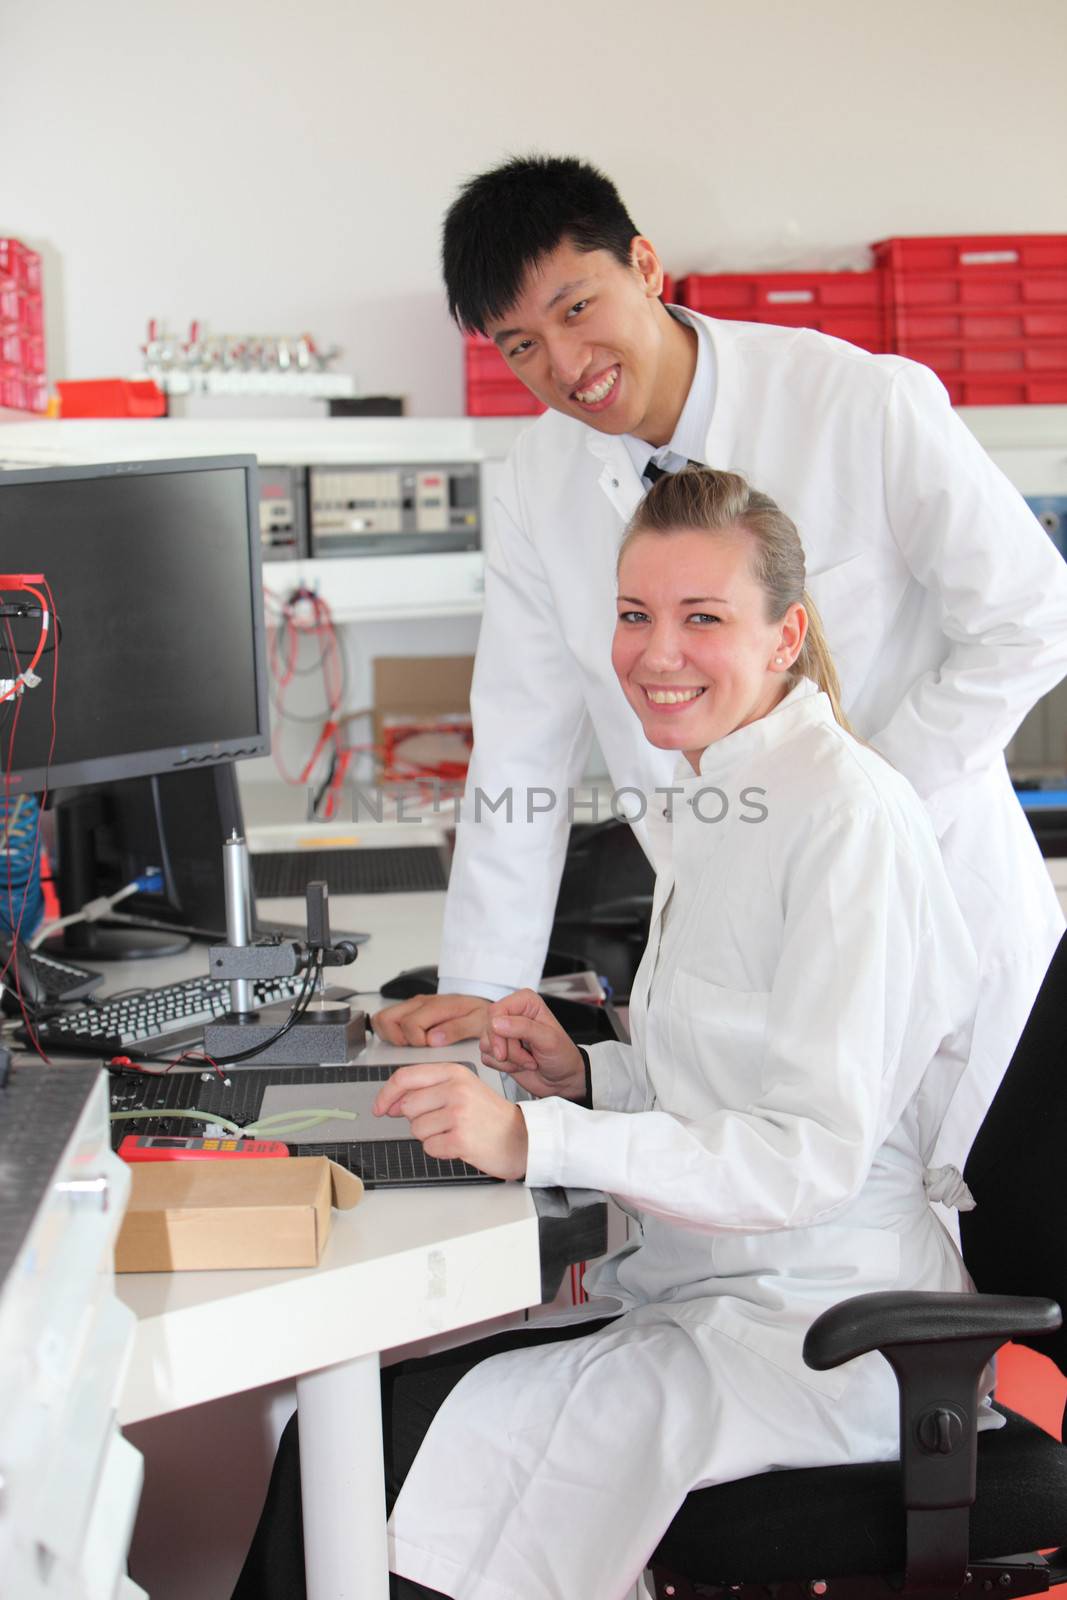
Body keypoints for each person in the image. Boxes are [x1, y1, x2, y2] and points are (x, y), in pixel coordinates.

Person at [236, 468, 984, 1600]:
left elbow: (803, 1153)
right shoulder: (734, 790)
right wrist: (582, 1069)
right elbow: (728, 1064)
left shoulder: (843, 822)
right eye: (634, 614)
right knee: (348, 1437)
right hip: (719, 1286)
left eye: (701, 618)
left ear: (785, 636)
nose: (655, 651)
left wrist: (538, 1139)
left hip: (819, 1331)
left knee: (367, 1457)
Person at [375, 154, 1067, 1172]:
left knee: (953, 1232)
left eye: (577, 308)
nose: (565, 365)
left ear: (643, 265)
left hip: (927, 899)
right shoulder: (536, 482)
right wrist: (483, 991)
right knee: (748, 1206)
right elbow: (520, 747)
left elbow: (1031, 616)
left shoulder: (855, 402)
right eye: (523, 345)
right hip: (724, 944)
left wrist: (856, 813)